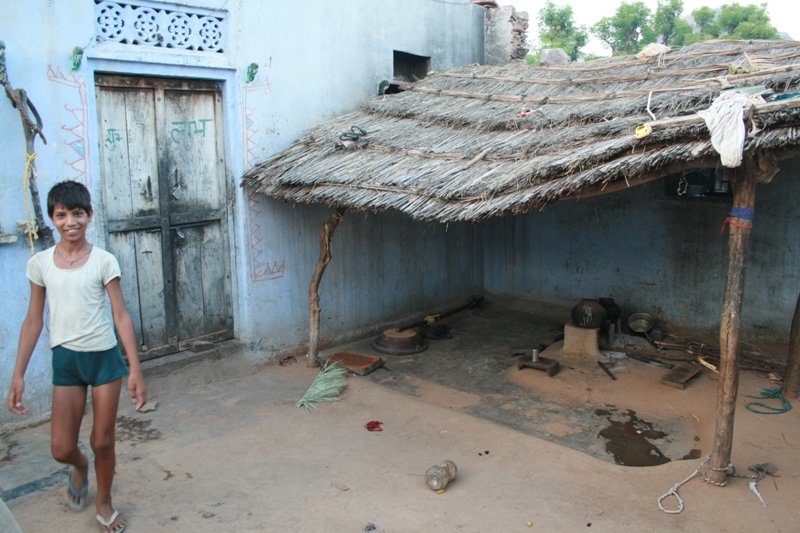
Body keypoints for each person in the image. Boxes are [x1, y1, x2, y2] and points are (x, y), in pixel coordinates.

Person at [7, 180, 147, 533]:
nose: (70, 221)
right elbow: (34, 320)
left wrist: (135, 369)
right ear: (53, 219)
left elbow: (121, 315)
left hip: (103, 360)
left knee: (102, 440)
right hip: (66, 360)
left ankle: (103, 502)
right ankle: (80, 467)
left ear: (90, 216)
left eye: (78, 213)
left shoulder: (103, 260)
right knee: (60, 448)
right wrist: (18, 374)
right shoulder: (40, 264)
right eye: (62, 215)